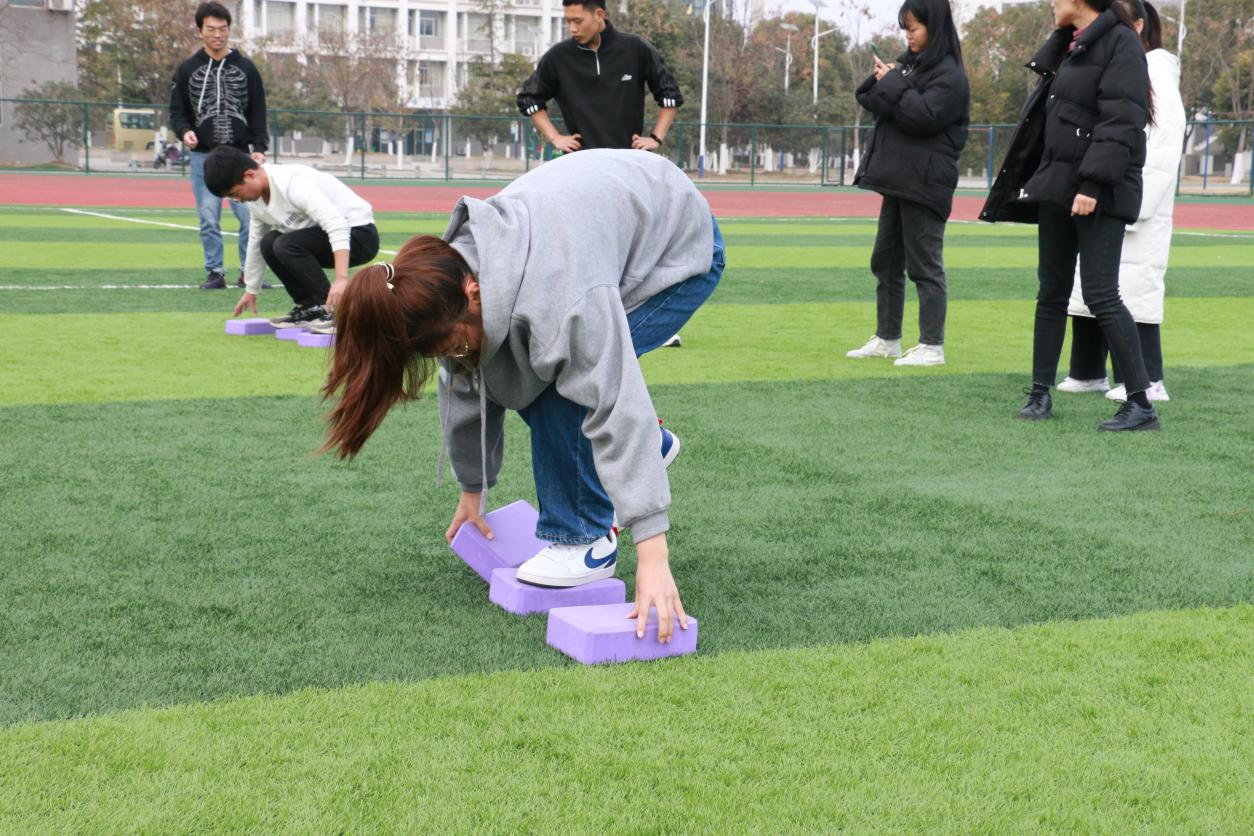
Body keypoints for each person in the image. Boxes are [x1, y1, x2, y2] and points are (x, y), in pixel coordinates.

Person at [321, 150, 723, 644]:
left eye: (454, 345)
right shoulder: (444, 280)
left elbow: (616, 400)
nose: (456, 356)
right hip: (594, 229)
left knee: (561, 386)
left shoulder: (561, 299)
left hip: (675, 245)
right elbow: (464, 381)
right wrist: (473, 491)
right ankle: (653, 451)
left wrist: (653, 555)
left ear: (473, 292)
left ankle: (583, 539)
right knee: (523, 365)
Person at [981, 0, 1160, 431]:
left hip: (1099, 190)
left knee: (1101, 293)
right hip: (1057, 186)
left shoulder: (1121, 43)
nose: (1051, 3)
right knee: (1051, 292)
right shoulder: (1069, 44)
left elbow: (1122, 121)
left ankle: (1141, 404)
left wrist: (1092, 185)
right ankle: (1039, 393)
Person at [517, 0, 687, 348]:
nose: (572, 28)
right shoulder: (558, 58)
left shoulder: (635, 49)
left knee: (637, 248)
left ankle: (649, 322)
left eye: (578, 20)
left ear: (599, 15)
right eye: (567, 21)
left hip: (629, 170)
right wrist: (555, 138)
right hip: (581, 172)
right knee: (584, 249)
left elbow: (670, 96)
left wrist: (655, 138)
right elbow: (529, 100)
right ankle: (579, 323)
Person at [1057, 0, 1184, 404]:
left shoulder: (1154, 73)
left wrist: (1135, 210)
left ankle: (1149, 380)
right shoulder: (1114, 61)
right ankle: (1088, 371)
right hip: (1110, 193)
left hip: (1131, 203)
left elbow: (1161, 149)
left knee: (1133, 291)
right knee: (1092, 289)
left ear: (1139, 25)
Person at [846, 0, 969, 367]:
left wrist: (895, 82)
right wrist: (885, 77)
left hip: (926, 182)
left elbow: (923, 117)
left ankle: (932, 345)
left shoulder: (950, 75)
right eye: (906, 29)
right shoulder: (910, 68)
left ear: (935, 28)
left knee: (924, 265)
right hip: (900, 180)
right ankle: (888, 339)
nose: (908, 36)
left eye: (914, 28)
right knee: (885, 261)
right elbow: (869, 100)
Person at [203, 146, 380, 331]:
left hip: (360, 236)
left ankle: (336, 312)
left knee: (285, 244)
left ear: (249, 175)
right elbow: (255, 243)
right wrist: (251, 290)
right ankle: (310, 308)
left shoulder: (292, 182)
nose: (237, 200)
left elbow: (337, 225)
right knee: (268, 242)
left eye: (234, 194)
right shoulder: (256, 202)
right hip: (325, 237)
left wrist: (341, 279)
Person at [169, 1, 268, 291]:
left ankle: (248, 273)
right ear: (199, 31)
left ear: (229, 30)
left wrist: (259, 146)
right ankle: (215, 272)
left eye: (222, 29)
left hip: (239, 156)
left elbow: (258, 110)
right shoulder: (187, 69)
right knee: (208, 217)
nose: (217, 35)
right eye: (211, 29)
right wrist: (185, 131)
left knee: (250, 219)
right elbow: (177, 111)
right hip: (203, 155)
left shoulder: (246, 68)